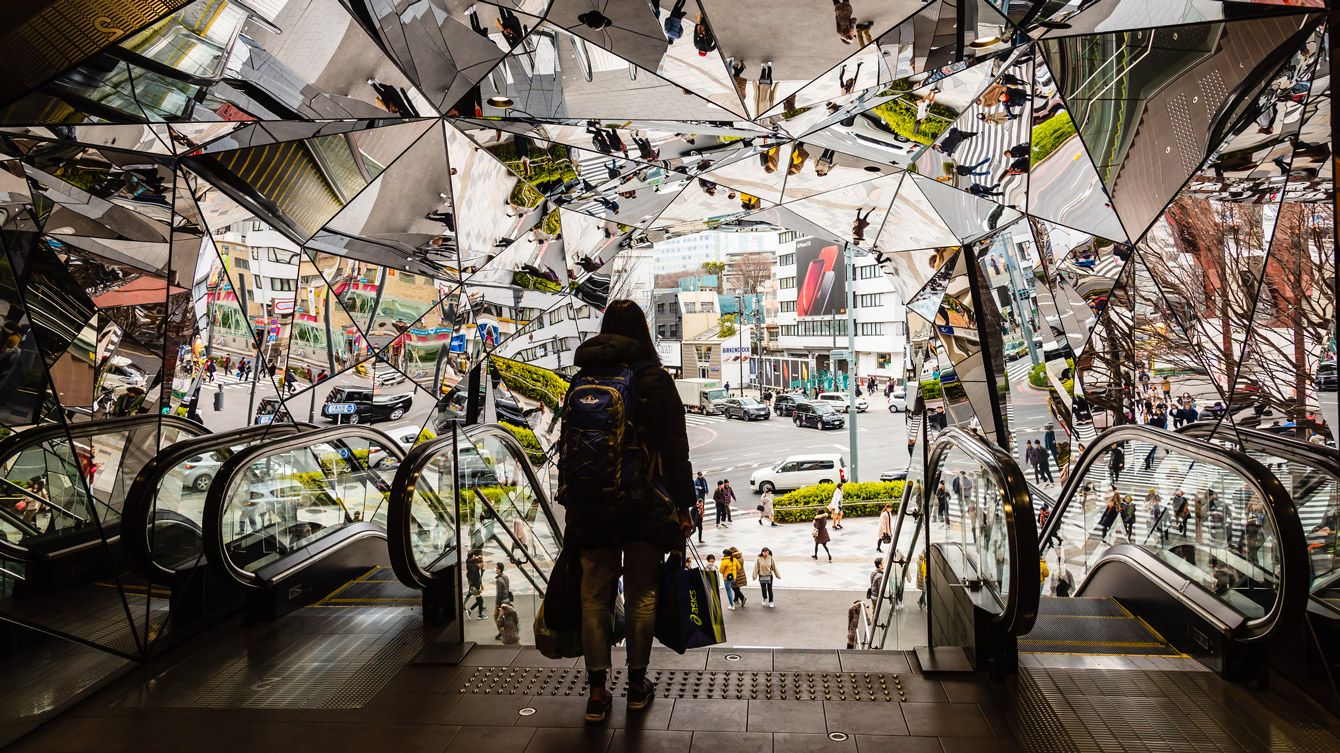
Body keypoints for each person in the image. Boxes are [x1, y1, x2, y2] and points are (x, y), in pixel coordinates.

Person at [559, 300, 695, 723]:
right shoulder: (654, 379)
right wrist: (685, 506)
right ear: (643, 332)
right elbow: (675, 449)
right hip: (643, 506)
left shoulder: (582, 379)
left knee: (594, 596)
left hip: (591, 506)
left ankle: (597, 694)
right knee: (642, 594)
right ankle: (636, 686)